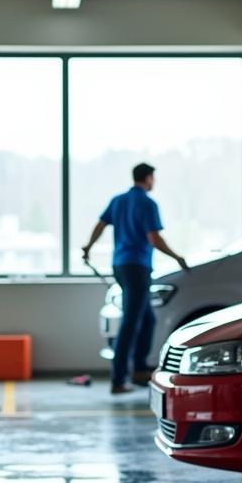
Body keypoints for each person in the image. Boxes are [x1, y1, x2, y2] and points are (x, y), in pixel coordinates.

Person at [82, 162, 188, 394]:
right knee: (130, 323)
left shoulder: (118, 200)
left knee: (147, 319)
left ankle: (139, 370)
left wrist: (89, 247)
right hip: (137, 267)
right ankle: (118, 379)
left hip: (120, 265)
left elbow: (100, 225)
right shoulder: (148, 204)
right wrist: (177, 257)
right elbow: (154, 238)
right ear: (148, 178)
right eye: (153, 178)